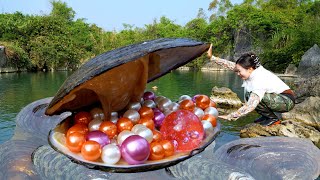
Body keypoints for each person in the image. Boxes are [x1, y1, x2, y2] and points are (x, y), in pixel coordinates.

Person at [207, 44, 295, 126]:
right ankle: (266, 116)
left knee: (253, 97)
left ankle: (273, 118)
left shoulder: (258, 79)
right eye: (237, 71)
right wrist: (212, 57)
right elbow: (231, 65)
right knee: (250, 95)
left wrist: (230, 116)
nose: (238, 74)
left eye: (239, 72)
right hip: (278, 97)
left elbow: (251, 105)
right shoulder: (253, 68)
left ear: (249, 69)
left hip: (287, 101)